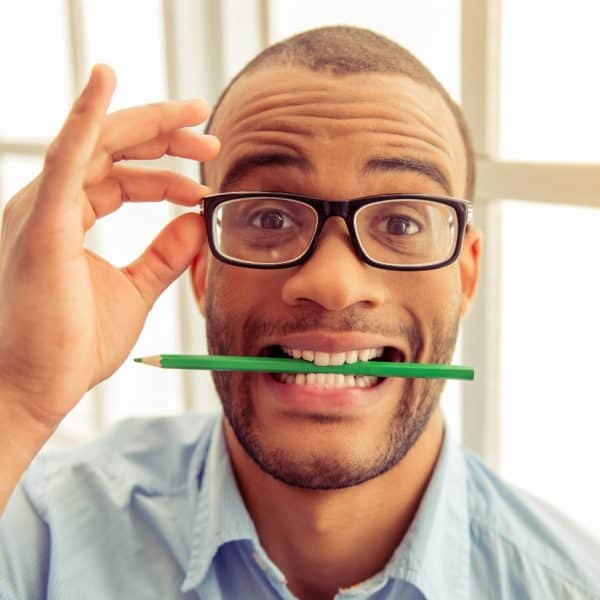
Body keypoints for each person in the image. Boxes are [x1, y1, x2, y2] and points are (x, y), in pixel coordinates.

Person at [0, 25, 598, 600]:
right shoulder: (38, 535)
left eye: (401, 223)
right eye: (269, 218)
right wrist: (18, 397)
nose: (333, 285)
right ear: (203, 272)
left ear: (465, 274)